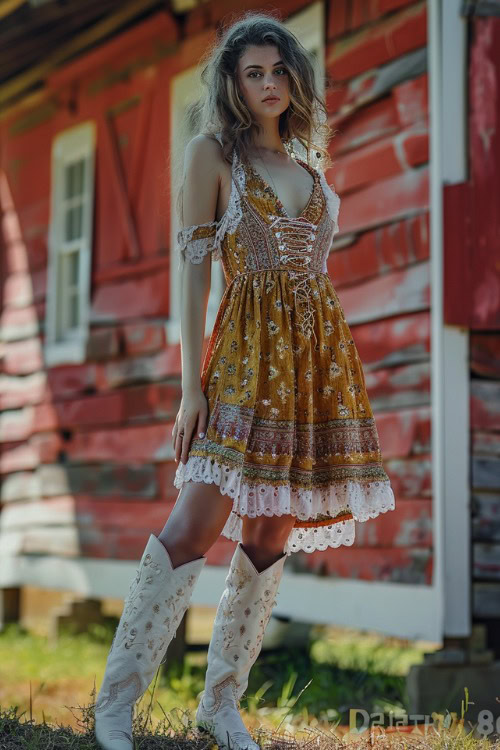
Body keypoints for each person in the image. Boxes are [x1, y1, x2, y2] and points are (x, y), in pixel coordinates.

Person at [94, 11, 396, 750]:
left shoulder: (314, 178)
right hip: (238, 364)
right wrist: (191, 387)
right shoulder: (211, 155)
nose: (267, 83)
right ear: (232, 83)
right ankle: (114, 704)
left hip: (311, 371)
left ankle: (221, 703)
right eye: (252, 72)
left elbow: (312, 289)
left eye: (278, 70)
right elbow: (196, 271)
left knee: (269, 533)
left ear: (296, 80)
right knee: (193, 522)